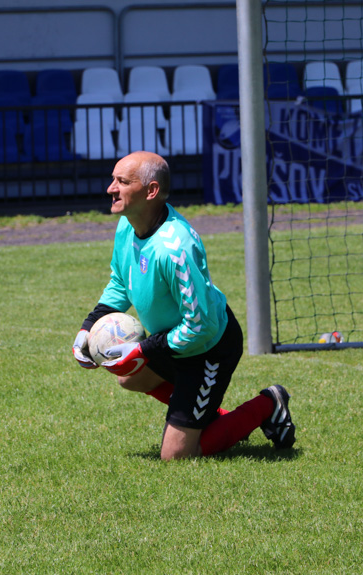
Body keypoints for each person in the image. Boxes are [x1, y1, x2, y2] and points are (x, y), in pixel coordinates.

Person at [72, 151, 296, 461]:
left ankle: (268, 404)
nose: (111, 188)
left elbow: (200, 326)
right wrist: (87, 328)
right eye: (113, 180)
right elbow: (121, 284)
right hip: (172, 341)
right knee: (129, 375)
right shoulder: (127, 227)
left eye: (122, 182)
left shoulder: (176, 247)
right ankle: (208, 417)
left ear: (151, 191)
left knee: (176, 457)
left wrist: (143, 349)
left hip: (207, 349)